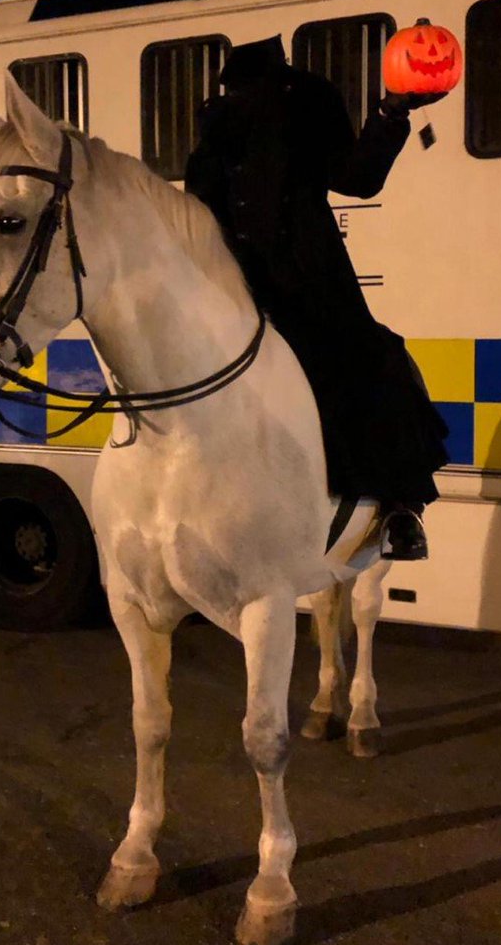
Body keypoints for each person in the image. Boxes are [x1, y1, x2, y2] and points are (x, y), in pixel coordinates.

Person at [184, 34, 450, 560]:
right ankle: (399, 507)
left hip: (237, 285)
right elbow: (357, 179)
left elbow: (201, 208)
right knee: (376, 365)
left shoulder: (216, 120)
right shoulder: (306, 97)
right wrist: (392, 111)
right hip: (307, 281)